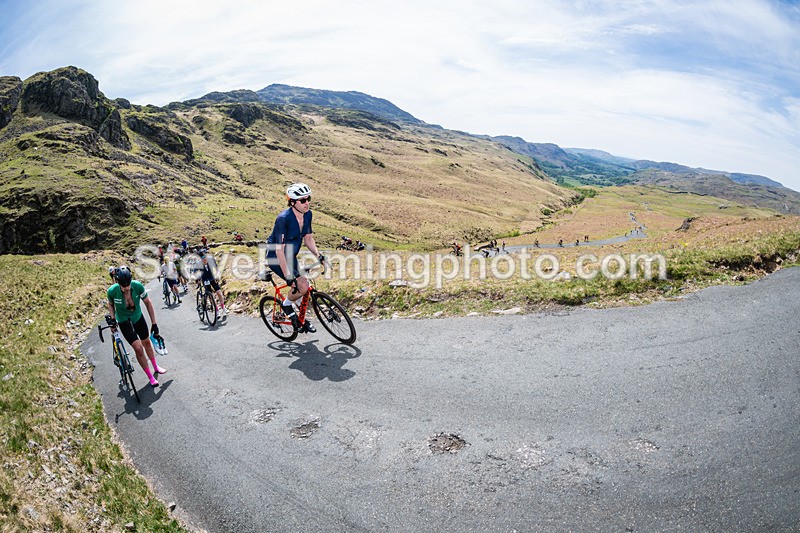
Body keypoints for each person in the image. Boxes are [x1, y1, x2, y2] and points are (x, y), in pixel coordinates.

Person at [266, 183, 324, 332]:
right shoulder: (283, 219)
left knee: (303, 287)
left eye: (308, 199)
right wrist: (287, 276)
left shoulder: (308, 214)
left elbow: (308, 238)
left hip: (291, 255)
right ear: (292, 202)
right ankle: (286, 305)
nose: (307, 203)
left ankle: (301, 319)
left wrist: (318, 255)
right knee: (301, 284)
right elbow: (279, 251)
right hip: (276, 257)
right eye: (303, 200)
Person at [106, 266, 166, 387]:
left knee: (147, 343)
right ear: (118, 282)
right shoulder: (112, 291)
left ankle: (155, 366)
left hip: (138, 317)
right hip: (124, 321)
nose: (127, 288)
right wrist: (113, 319)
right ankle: (149, 376)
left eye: (128, 285)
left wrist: (154, 324)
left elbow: (148, 303)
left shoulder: (137, 286)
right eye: (123, 286)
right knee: (138, 348)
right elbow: (111, 304)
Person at [196, 251, 227, 316]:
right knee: (211, 295)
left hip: (212, 278)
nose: (205, 260)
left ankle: (223, 308)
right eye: (203, 259)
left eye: (205, 258)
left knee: (219, 293)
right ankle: (217, 310)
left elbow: (216, 269)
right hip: (205, 279)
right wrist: (197, 279)